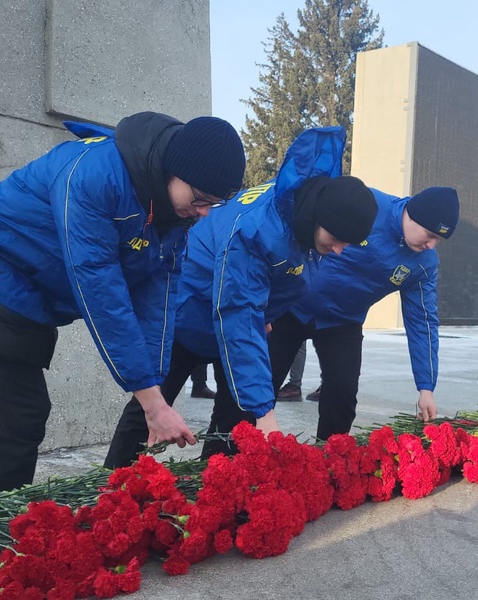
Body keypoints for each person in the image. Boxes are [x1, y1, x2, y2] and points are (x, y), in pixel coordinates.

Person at [0, 112, 245, 501]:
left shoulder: (171, 214)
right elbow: (101, 290)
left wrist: (154, 387)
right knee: (18, 416)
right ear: (174, 171)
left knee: (6, 414)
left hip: (33, 296)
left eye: (215, 204)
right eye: (201, 199)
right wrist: (151, 402)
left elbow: (158, 297)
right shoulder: (95, 177)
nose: (205, 212)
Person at [104, 126, 378, 466]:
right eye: (336, 239)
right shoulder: (258, 230)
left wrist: (269, 315)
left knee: (236, 416)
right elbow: (237, 311)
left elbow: (277, 284)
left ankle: (215, 484)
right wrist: (265, 411)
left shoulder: (300, 213)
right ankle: (113, 487)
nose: (338, 250)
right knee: (152, 406)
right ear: (317, 217)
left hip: (232, 314)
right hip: (188, 309)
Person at [268, 186, 460, 440]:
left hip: (343, 321)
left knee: (342, 396)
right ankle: (224, 457)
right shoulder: (365, 206)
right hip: (291, 306)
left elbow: (422, 322)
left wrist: (426, 387)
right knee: (257, 383)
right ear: (412, 215)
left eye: (439, 240)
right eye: (429, 234)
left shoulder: (423, 264)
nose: (431, 245)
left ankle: (329, 463)